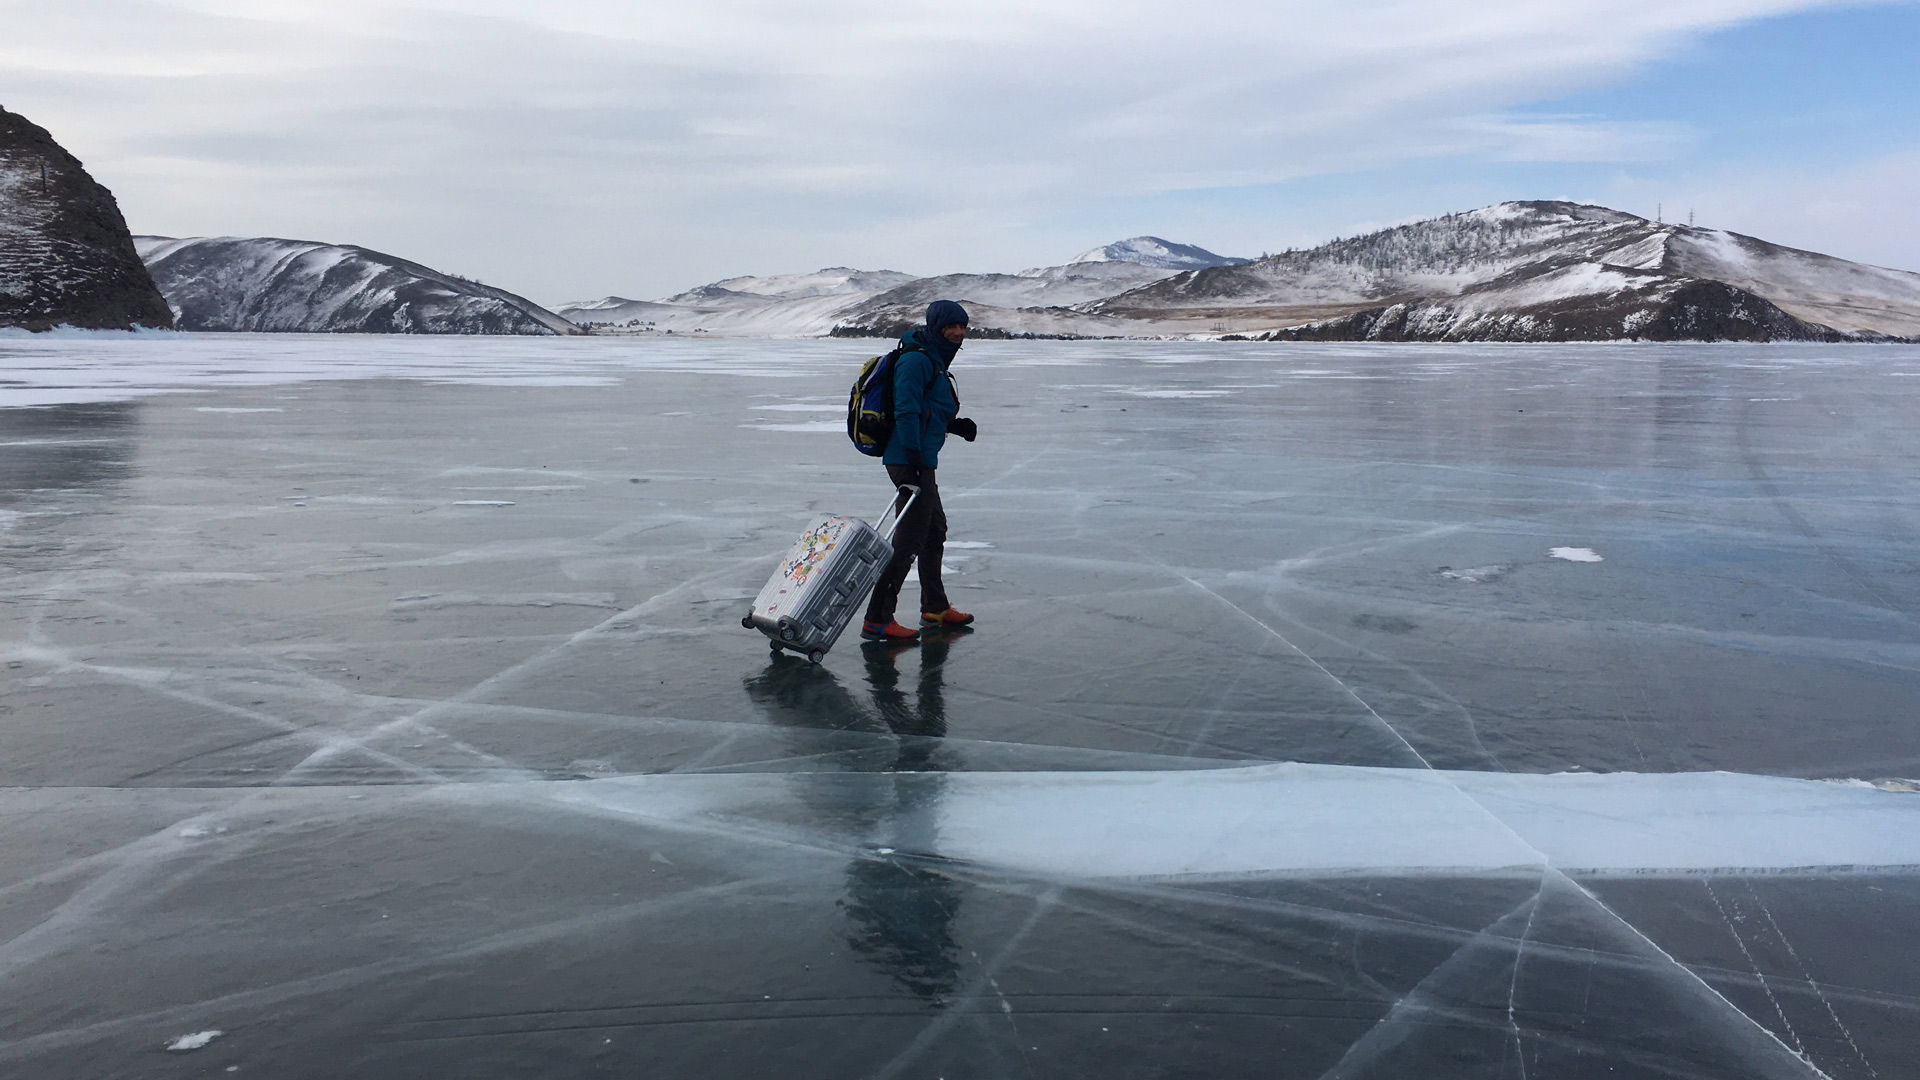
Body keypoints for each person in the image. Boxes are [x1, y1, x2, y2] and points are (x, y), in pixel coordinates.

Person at [861, 300, 979, 643]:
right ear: (936, 326)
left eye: (962, 327)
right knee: (909, 540)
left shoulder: (934, 359)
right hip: (909, 460)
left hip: (921, 457)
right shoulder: (916, 359)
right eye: (951, 327)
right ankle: (877, 619)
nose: (958, 333)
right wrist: (913, 461)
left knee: (934, 531)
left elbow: (928, 410)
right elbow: (907, 411)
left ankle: (935, 607)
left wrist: (954, 426)